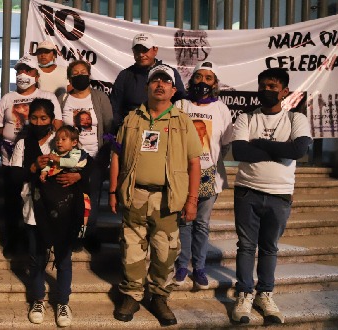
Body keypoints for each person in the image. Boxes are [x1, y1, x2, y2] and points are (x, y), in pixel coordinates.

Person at [109, 65, 202, 325]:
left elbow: (195, 162)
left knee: (165, 253)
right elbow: (116, 155)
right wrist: (113, 190)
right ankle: (131, 295)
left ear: (173, 90)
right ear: (147, 87)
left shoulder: (182, 121)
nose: (159, 84)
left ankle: (159, 297)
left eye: (165, 81)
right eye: (154, 80)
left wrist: (192, 200)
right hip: (135, 195)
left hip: (167, 199)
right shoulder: (132, 119)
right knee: (131, 250)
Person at [230, 68, 312, 325]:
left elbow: (298, 150)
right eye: (263, 86)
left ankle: (264, 294)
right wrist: (280, 151)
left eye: (272, 86)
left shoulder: (296, 119)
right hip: (247, 191)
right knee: (245, 246)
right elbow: (240, 151)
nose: (266, 90)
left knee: (269, 248)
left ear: (284, 91)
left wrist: (259, 144)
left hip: (279, 195)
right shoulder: (246, 117)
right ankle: (244, 294)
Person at [9, 100, 88, 327]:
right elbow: (14, 177)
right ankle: (38, 299)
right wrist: (33, 168)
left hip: (64, 209)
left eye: (43, 118)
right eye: (34, 118)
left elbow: (87, 163)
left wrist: (78, 176)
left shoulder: (62, 138)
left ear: (52, 119)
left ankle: (62, 301)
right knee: (37, 258)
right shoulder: (24, 143)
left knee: (63, 259)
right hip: (35, 210)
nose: (38, 122)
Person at [172, 61, 233, 290]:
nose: (203, 82)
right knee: (184, 223)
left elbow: (225, 144)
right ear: (192, 79)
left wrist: (209, 162)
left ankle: (199, 267)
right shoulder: (180, 104)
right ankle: (181, 265)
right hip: (183, 175)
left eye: (208, 78)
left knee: (202, 224)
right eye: (199, 77)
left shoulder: (222, 109)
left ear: (215, 83)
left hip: (210, 176)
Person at [0, 54, 62, 255]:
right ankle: (13, 239)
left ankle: (38, 239)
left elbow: (57, 124)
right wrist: (10, 143)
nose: (22, 74)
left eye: (27, 70)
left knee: (39, 200)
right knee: (12, 201)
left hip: (41, 156)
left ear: (36, 74)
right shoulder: (7, 97)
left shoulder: (47, 97)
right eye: (19, 71)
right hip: (11, 160)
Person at [58, 59, 113, 249]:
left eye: (83, 72)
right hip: (69, 158)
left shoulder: (99, 98)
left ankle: (90, 234)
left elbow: (108, 125)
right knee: (71, 197)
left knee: (91, 197)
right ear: (70, 78)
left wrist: (105, 156)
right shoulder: (63, 99)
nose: (80, 75)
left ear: (89, 75)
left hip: (94, 158)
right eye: (75, 73)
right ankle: (71, 234)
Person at [110, 33, 185, 131]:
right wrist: (121, 129)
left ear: (155, 50)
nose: (141, 55)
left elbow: (181, 103)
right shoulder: (125, 75)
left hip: (164, 129)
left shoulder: (170, 73)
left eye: (145, 50)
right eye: (137, 50)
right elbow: (114, 107)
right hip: (132, 129)